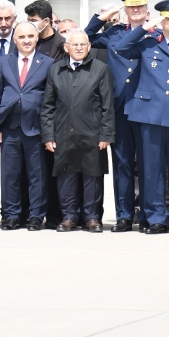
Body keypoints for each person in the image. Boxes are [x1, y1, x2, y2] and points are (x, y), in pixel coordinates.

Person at [99, 0, 169, 235]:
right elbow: (122, 48)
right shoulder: (147, 44)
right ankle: (156, 217)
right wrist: (146, 27)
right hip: (150, 115)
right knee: (152, 168)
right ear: (161, 21)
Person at [86, 0, 154, 230]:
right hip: (119, 105)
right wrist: (103, 16)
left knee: (147, 163)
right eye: (130, 6)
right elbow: (86, 37)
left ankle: (147, 215)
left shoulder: (155, 34)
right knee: (122, 162)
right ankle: (124, 215)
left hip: (146, 106)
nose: (135, 10)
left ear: (147, 10)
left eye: (140, 6)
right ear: (125, 9)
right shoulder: (114, 32)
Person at [41, 30, 115, 231]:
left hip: (92, 133)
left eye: (83, 44)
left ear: (89, 46)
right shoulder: (56, 69)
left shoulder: (100, 69)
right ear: (67, 47)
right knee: (66, 175)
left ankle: (92, 217)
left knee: (92, 176)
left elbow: (108, 105)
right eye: (75, 45)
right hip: (63, 132)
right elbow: (47, 106)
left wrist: (106, 134)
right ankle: (69, 216)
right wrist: (48, 135)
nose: (80, 48)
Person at [0, 20, 52, 230]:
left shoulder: (48, 63)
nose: (26, 40)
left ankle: (36, 216)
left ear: (37, 38)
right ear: (14, 39)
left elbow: (51, 99)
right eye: (22, 37)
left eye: (30, 36)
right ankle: (11, 215)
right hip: (10, 128)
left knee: (37, 175)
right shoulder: (4, 62)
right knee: (10, 175)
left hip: (35, 128)